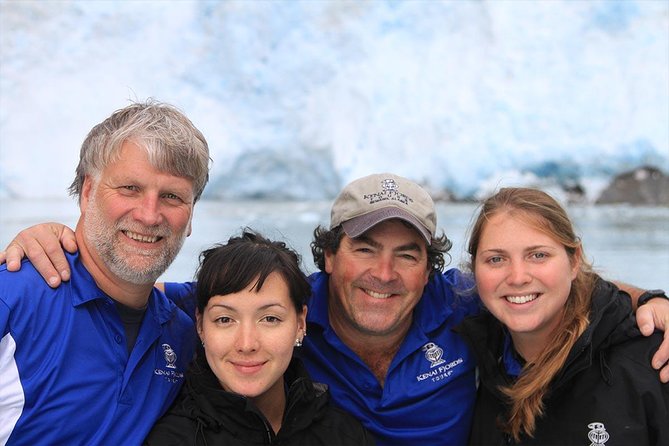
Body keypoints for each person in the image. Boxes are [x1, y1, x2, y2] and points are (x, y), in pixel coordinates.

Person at [3, 174, 669, 445]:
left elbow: (535, 285)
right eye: (364, 248)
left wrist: (650, 301)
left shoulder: (465, 303)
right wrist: (57, 237)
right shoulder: (280, 311)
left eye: (406, 254)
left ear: (430, 269)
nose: (383, 274)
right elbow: (154, 290)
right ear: (327, 258)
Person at [0, 100, 210, 445]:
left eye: (172, 196)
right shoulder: (14, 300)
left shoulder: (182, 336)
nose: (149, 214)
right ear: (87, 192)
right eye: (130, 188)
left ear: (190, 217)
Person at [456, 187, 669, 445]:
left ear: (574, 261)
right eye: (496, 259)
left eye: (538, 255)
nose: (517, 277)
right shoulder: (473, 352)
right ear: (474, 270)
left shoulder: (653, 361)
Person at [144, 230, 374, 445]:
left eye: (270, 319)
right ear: (201, 326)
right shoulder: (173, 438)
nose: (247, 344)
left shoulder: (343, 435)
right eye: (224, 319)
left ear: (300, 324)